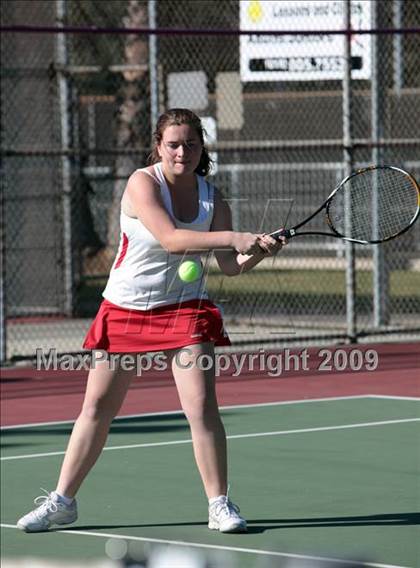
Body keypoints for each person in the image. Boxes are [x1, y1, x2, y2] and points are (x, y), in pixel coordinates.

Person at [17, 108, 287, 534]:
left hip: (186, 309)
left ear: (202, 148)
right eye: (174, 144)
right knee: (98, 409)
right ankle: (62, 501)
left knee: (201, 407)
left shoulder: (212, 197)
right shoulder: (143, 182)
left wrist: (257, 250)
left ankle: (219, 505)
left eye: (191, 144)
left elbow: (229, 266)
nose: (183, 152)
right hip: (125, 307)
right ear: (158, 147)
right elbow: (171, 238)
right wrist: (235, 237)